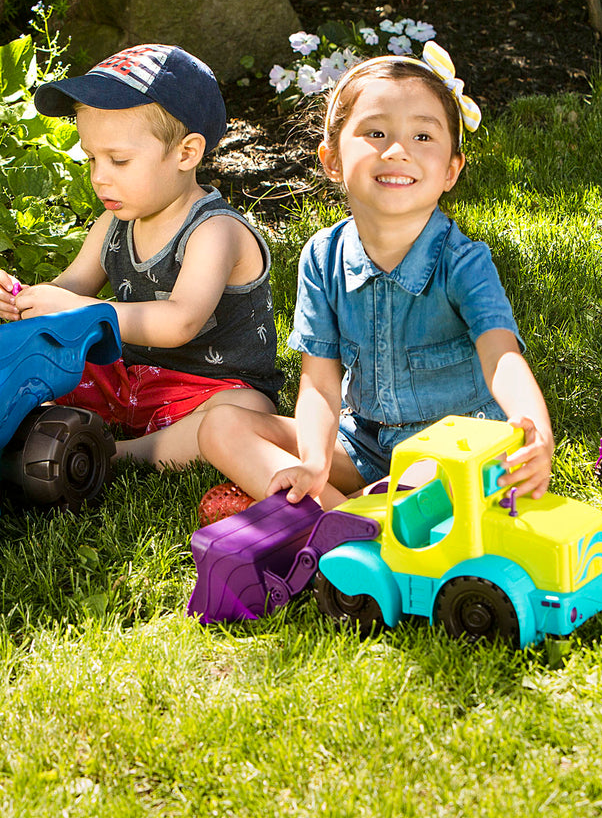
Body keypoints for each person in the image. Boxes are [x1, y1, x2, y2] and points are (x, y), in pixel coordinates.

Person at [197, 41, 553, 510]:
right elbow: (320, 384)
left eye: (423, 137)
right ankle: (342, 512)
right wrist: (313, 459)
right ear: (333, 161)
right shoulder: (323, 257)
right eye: (376, 133)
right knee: (221, 425)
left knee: (442, 485)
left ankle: (328, 515)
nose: (398, 151)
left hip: (456, 451)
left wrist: (534, 424)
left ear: (451, 170)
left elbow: (500, 355)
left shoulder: (463, 262)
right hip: (363, 443)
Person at [0, 44, 282, 468]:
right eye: (91, 159)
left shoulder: (215, 230)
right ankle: (44, 428)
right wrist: (26, 299)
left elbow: (181, 321)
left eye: (119, 160)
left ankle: (116, 454)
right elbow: (71, 287)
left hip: (206, 390)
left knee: (247, 412)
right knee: (35, 361)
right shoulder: (114, 223)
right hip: (127, 378)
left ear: (186, 153)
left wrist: (79, 310)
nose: (99, 177)